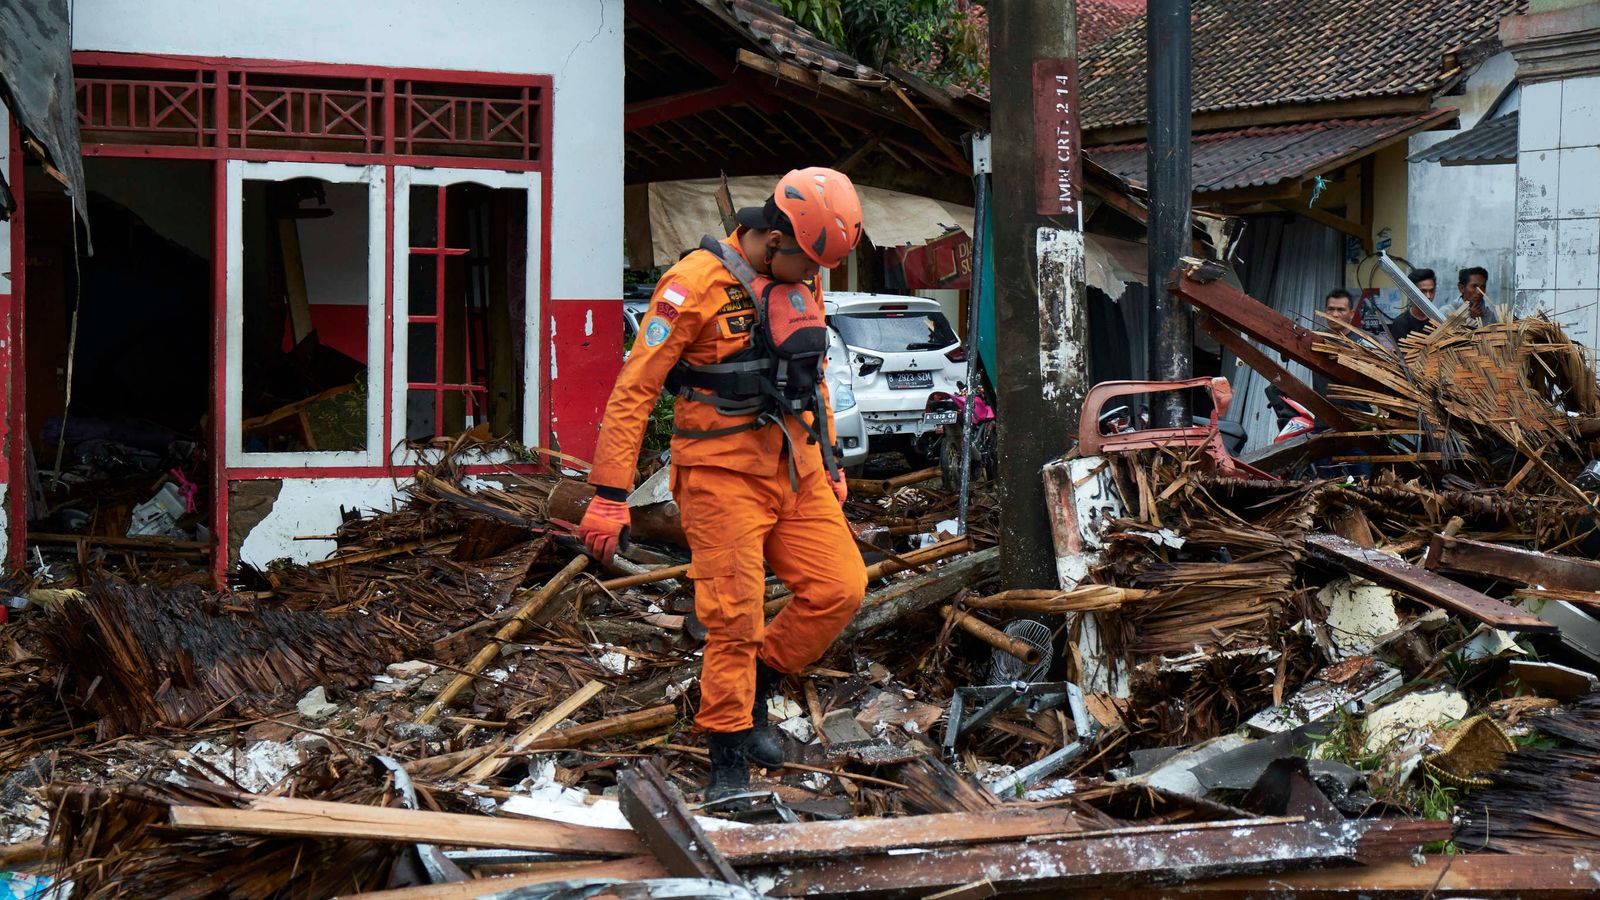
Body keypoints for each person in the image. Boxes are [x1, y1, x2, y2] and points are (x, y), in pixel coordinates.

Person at [578, 168, 869, 802]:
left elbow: (810, 376)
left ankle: (758, 684)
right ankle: (727, 759)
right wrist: (608, 493)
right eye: (809, 261)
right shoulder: (693, 285)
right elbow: (636, 389)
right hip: (719, 475)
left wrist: (832, 460)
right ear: (775, 236)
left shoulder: (800, 280)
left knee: (840, 587)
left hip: (797, 468)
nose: (813, 276)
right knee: (733, 618)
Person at [1389, 268, 1437, 343]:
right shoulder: (1401, 323)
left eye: (1431, 291)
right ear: (1412, 293)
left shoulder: (1438, 321)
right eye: (1423, 291)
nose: (1428, 296)